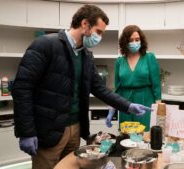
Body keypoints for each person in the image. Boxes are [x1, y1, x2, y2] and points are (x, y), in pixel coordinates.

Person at [12, 5, 151, 169]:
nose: (99, 37)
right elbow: (22, 88)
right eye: (98, 32)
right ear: (85, 24)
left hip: (75, 129)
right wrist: (26, 132)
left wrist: (127, 105)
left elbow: (99, 88)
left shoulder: (86, 55)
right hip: (49, 129)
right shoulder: (45, 45)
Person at [106, 25, 161, 132]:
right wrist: (112, 108)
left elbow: (156, 85)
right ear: (125, 42)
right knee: (126, 136)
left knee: (144, 135)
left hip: (145, 100)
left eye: (137, 39)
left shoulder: (149, 58)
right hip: (125, 102)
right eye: (131, 40)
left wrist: (159, 107)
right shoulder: (120, 61)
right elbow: (117, 88)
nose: (135, 42)